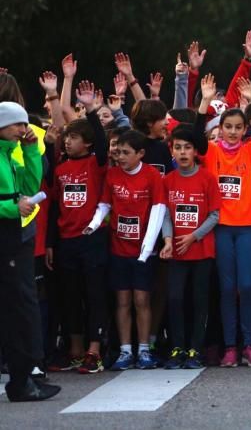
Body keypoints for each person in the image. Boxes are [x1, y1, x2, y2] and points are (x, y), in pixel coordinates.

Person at [198, 74, 251, 368]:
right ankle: (230, 347)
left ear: (244, 130)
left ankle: (249, 345)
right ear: (219, 128)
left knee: (248, 286)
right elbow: (193, 134)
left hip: (247, 229)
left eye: (238, 127)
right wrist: (204, 102)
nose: (232, 132)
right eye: (227, 126)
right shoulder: (211, 151)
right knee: (227, 289)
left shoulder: (250, 151)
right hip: (222, 229)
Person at [85, 129, 166, 371]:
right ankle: (125, 350)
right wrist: (93, 223)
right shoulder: (112, 175)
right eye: (118, 152)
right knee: (122, 300)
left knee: (141, 299)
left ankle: (143, 349)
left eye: (126, 153)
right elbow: (105, 204)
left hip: (143, 250)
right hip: (118, 247)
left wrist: (147, 248)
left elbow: (158, 210)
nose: (120, 157)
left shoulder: (152, 176)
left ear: (140, 154)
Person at [47, 81, 109, 375]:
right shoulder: (59, 168)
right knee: (69, 295)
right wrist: (50, 243)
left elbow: (103, 141)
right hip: (65, 241)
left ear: (87, 143)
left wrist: (93, 112)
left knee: (94, 294)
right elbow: (55, 208)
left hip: (92, 240)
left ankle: (94, 352)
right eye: (66, 138)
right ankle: (74, 349)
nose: (68, 142)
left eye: (74, 138)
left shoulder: (97, 165)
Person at [0, 102, 60, 402]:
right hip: (6, 236)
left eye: (26, 124)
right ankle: (21, 381)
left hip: (18, 235)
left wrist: (32, 151)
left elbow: (29, 184)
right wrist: (13, 207)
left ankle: (24, 378)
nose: (25, 130)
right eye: (18, 125)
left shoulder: (11, 153)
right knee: (18, 306)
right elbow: (10, 200)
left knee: (23, 305)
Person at [160, 125, 221, 370]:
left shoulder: (207, 178)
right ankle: (177, 347)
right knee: (174, 299)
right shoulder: (168, 180)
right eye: (178, 148)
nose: (182, 153)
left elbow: (215, 215)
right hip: (175, 253)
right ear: (171, 151)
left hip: (201, 251)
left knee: (199, 300)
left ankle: (196, 348)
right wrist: (168, 240)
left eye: (187, 148)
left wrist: (193, 236)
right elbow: (165, 214)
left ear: (196, 151)